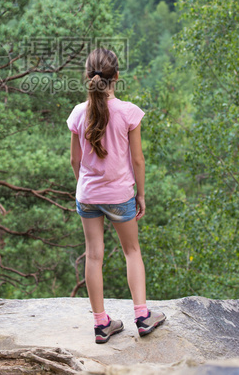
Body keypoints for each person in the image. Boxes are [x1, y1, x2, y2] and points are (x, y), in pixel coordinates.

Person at [67, 47, 166, 343]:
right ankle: (142, 316)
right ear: (116, 77)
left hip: (87, 195)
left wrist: (85, 187)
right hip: (120, 194)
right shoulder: (128, 112)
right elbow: (138, 160)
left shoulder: (78, 113)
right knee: (132, 251)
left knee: (93, 255)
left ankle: (101, 324)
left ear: (88, 76)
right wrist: (141, 194)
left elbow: (74, 160)